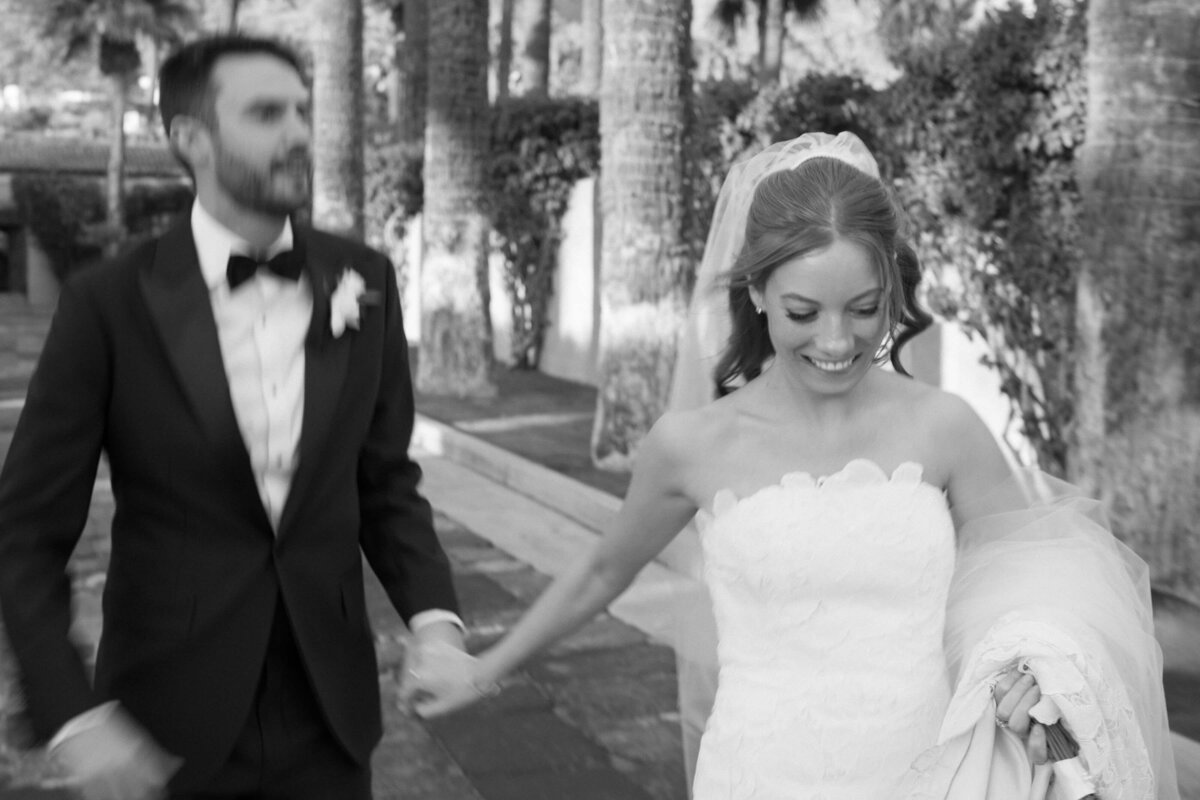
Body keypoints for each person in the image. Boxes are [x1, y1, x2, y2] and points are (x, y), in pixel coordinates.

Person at [403, 132, 1180, 799]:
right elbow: (601, 572)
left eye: (865, 309)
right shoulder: (691, 444)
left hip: (925, 770)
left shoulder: (944, 427)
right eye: (804, 313)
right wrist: (485, 665)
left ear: (892, 291)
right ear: (757, 293)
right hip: (757, 771)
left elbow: (1029, 586)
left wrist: (1031, 673)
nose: (837, 341)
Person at [0, 35, 465, 800]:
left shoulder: (365, 279)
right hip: (160, 728)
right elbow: (25, 531)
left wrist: (436, 624)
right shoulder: (107, 304)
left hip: (331, 716)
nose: (300, 133)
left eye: (303, 111)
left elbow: (385, 483)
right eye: (266, 114)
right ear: (192, 139)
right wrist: (72, 714)